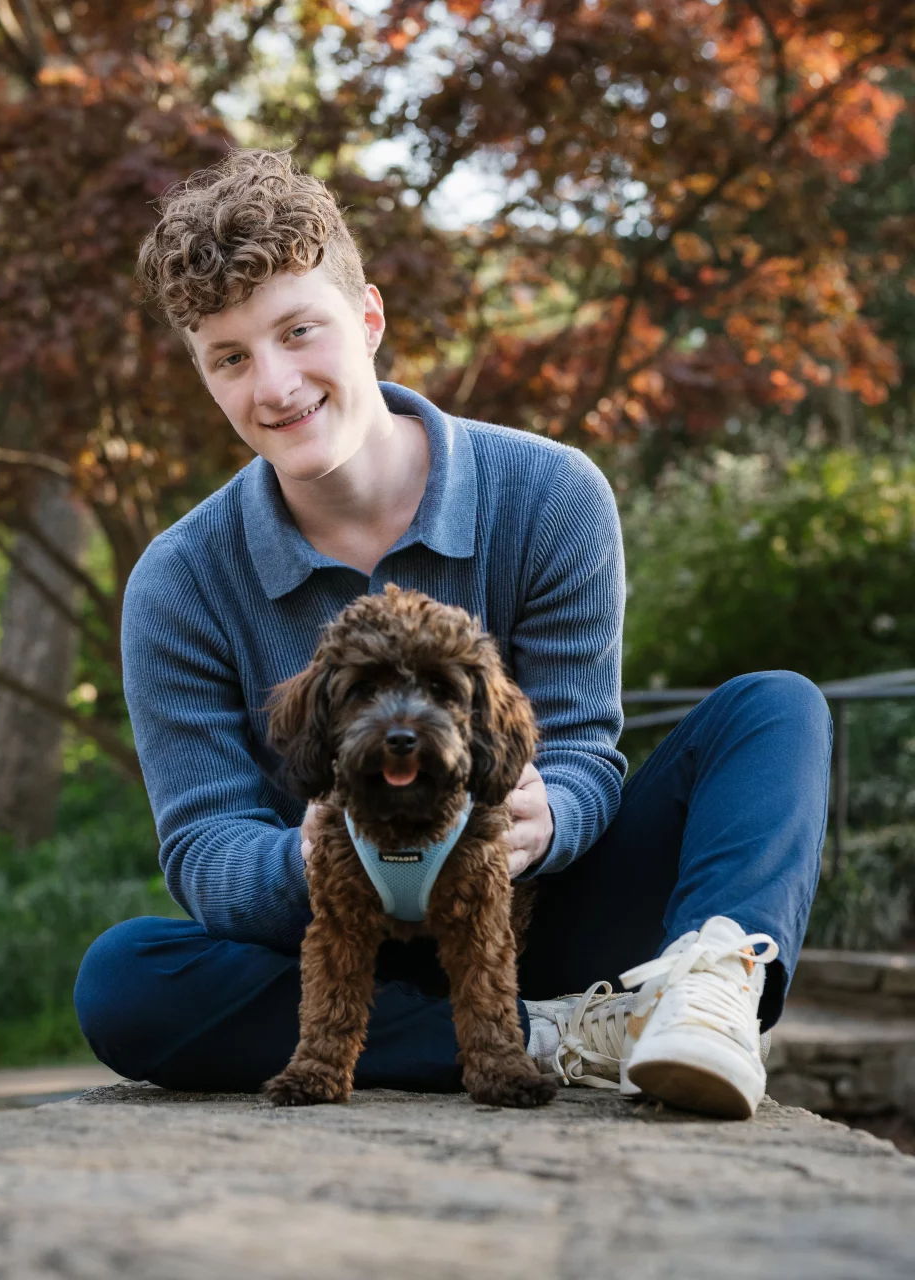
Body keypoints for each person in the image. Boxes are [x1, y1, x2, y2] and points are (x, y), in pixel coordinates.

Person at [74, 147, 832, 1120]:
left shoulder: (551, 494)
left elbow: (584, 752)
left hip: (533, 911)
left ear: (369, 319)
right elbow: (204, 847)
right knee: (126, 978)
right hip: (337, 941)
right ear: (203, 374)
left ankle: (710, 996)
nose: (274, 385)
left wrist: (547, 814)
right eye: (230, 357)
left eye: (298, 331)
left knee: (775, 708)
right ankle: (555, 1035)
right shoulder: (179, 581)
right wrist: (309, 852)